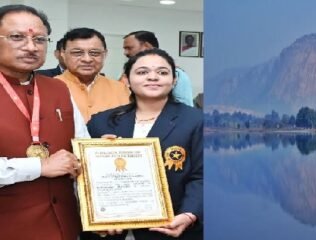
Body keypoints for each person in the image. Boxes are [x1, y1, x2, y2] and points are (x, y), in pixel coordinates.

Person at [84, 49, 203, 240]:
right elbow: (84, 178)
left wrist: (189, 214)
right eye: (142, 72)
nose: (153, 77)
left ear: (174, 81)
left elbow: (204, 176)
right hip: (110, 232)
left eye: (163, 72)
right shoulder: (101, 122)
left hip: (171, 228)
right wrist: (96, 157)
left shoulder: (197, 121)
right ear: (127, 80)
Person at [0, 4, 89, 240]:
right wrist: (40, 167)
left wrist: (99, 153)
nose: (31, 47)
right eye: (17, 37)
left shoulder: (58, 88)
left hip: (65, 225)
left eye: (40, 39)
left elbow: (81, 143)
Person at [56, 27, 131, 123]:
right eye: (77, 53)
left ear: (105, 54)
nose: (87, 59)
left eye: (94, 53)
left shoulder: (121, 89)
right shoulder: (49, 89)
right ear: (63, 54)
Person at [122, 30, 194, 107]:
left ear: (147, 46)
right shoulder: (127, 73)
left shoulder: (177, 74)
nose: (125, 53)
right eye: (141, 73)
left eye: (129, 48)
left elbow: (185, 107)